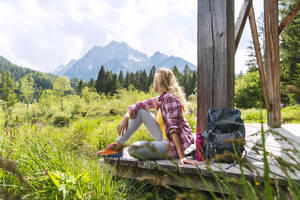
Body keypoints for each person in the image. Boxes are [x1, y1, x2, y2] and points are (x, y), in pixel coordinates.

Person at [97, 68, 199, 165]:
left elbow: (174, 130)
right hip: (164, 137)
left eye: (155, 80)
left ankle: (120, 147)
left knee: (132, 149)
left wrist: (182, 157)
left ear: (160, 82)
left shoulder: (170, 99)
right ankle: (117, 146)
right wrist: (126, 116)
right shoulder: (161, 98)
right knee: (141, 111)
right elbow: (139, 105)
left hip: (171, 146)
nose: (153, 83)